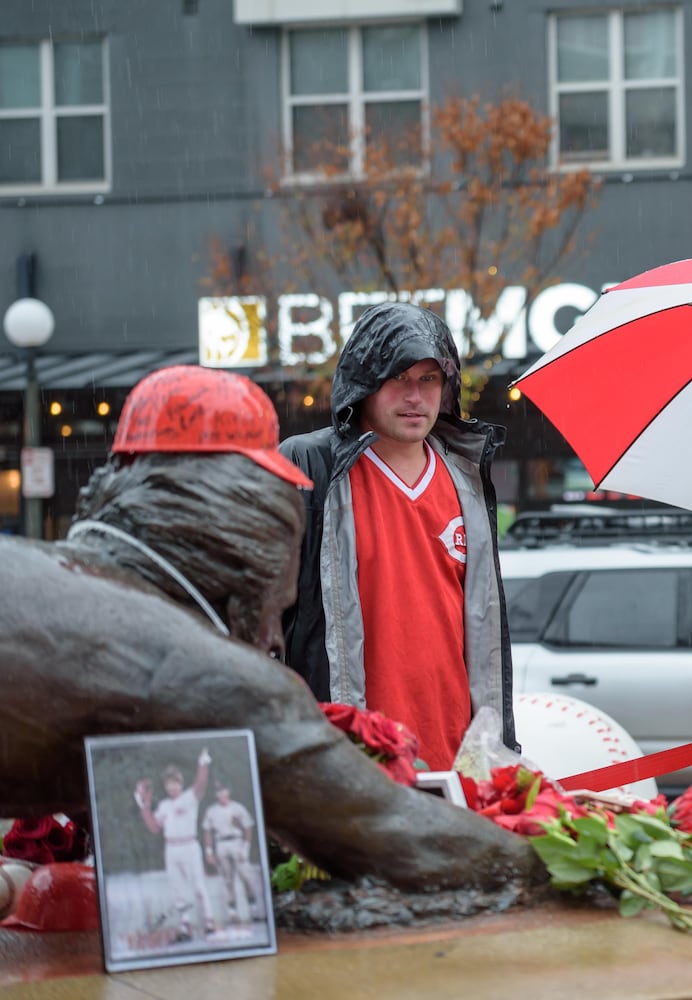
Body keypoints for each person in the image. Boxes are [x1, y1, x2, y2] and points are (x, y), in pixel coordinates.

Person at [0, 365, 545, 895]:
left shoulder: (38, 577)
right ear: (251, 520)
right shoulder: (210, 677)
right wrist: (556, 858)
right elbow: (401, 839)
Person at [280, 302, 517, 770]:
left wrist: (495, 754)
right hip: (351, 763)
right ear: (364, 383)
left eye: (429, 379)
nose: (416, 396)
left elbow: (485, 637)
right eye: (398, 378)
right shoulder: (311, 469)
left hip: (455, 761)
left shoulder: (466, 482)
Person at [134, 750, 215, 941]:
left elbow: (201, 784)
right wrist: (144, 806)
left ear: (181, 783)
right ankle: (185, 927)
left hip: (189, 846)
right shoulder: (163, 806)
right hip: (171, 849)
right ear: (165, 785)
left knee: (198, 886)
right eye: (168, 784)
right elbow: (154, 827)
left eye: (175, 783)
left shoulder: (190, 797)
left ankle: (209, 922)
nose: (172, 787)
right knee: (178, 888)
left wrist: (203, 764)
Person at [201, 781, 259, 926]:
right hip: (221, 843)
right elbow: (207, 831)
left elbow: (248, 827)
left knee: (246, 876)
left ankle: (253, 909)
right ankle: (232, 912)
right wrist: (209, 852)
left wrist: (246, 847)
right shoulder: (212, 810)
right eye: (218, 792)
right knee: (227, 879)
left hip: (237, 842)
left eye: (223, 790)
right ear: (215, 794)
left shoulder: (238, 808)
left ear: (228, 791)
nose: (221, 794)